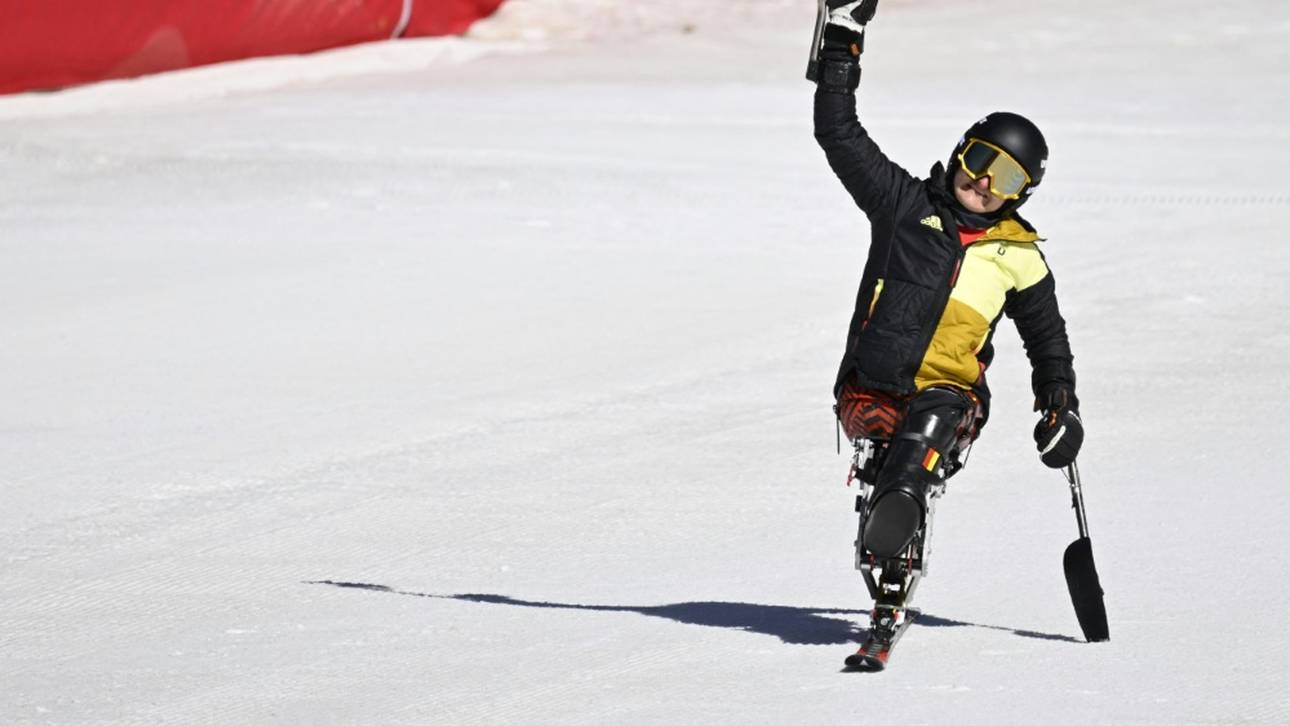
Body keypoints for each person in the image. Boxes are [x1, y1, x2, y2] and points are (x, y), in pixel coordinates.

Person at [811, 0, 1085, 563]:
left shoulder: (1020, 258)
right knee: (904, 433)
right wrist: (842, 41)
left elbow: (1048, 342)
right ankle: (892, 515)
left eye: (1005, 178)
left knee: (931, 424)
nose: (983, 182)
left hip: (949, 399)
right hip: (871, 388)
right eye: (981, 160)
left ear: (1020, 195)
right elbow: (838, 133)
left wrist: (1059, 403)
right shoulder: (903, 205)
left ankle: (899, 513)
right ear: (961, 151)